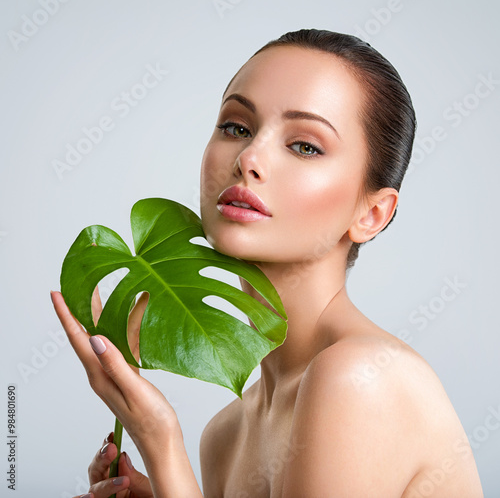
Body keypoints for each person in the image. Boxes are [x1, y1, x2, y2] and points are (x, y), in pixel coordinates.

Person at [51, 29, 483, 497]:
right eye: (236, 127)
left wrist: (159, 440)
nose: (250, 158)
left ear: (371, 213)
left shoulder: (360, 377)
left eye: (305, 146)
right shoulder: (227, 433)